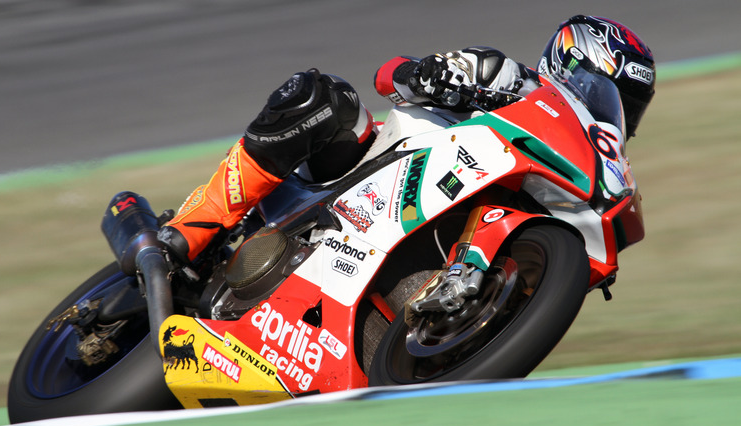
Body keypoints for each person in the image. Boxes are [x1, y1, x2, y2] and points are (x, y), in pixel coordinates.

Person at [158, 14, 655, 263]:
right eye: (610, 91)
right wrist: (429, 74)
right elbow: (388, 75)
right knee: (323, 99)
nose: (619, 111)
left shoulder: (595, 160)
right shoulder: (505, 76)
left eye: (630, 106)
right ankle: (192, 227)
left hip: (429, 235)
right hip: (373, 172)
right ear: (570, 63)